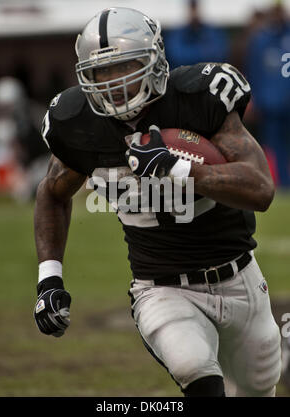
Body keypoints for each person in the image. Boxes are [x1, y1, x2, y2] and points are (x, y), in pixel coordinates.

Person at [33, 7, 282, 397]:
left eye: (124, 67)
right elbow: (51, 191)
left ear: (154, 61)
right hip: (160, 287)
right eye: (101, 73)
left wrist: (180, 169)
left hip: (238, 278)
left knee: (258, 386)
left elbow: (261, 188)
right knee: (194, 367)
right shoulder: (78, 123)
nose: (114, 83)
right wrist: (49, 278)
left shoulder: (199, 99)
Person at [245, 2, 290, 187]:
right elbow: (254, 72)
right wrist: (254, 98)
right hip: (271, 105)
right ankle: (282, 184)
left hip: (285, 103)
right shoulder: (261, 40)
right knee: (273, 146)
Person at [164, 0, 229, 69]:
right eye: (192, 8)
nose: (194, 12)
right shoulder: (176, 35)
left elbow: (219, 54)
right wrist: (203, 53)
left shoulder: (213, 32)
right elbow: (176, 56)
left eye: (195, 8)